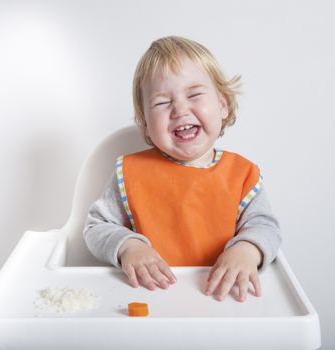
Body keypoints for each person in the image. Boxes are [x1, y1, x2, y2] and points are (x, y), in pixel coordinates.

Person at [84, 36, 281, 302]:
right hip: (151, 298)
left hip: (224, 298)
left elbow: (264, 226)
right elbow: (97, 227)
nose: (179, 109)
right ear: (145, 122)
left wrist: (247, 250)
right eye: (162, 102)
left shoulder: (242, 175)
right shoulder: (130, 173)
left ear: (222, 104)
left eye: (194, 94)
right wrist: (129, 247)